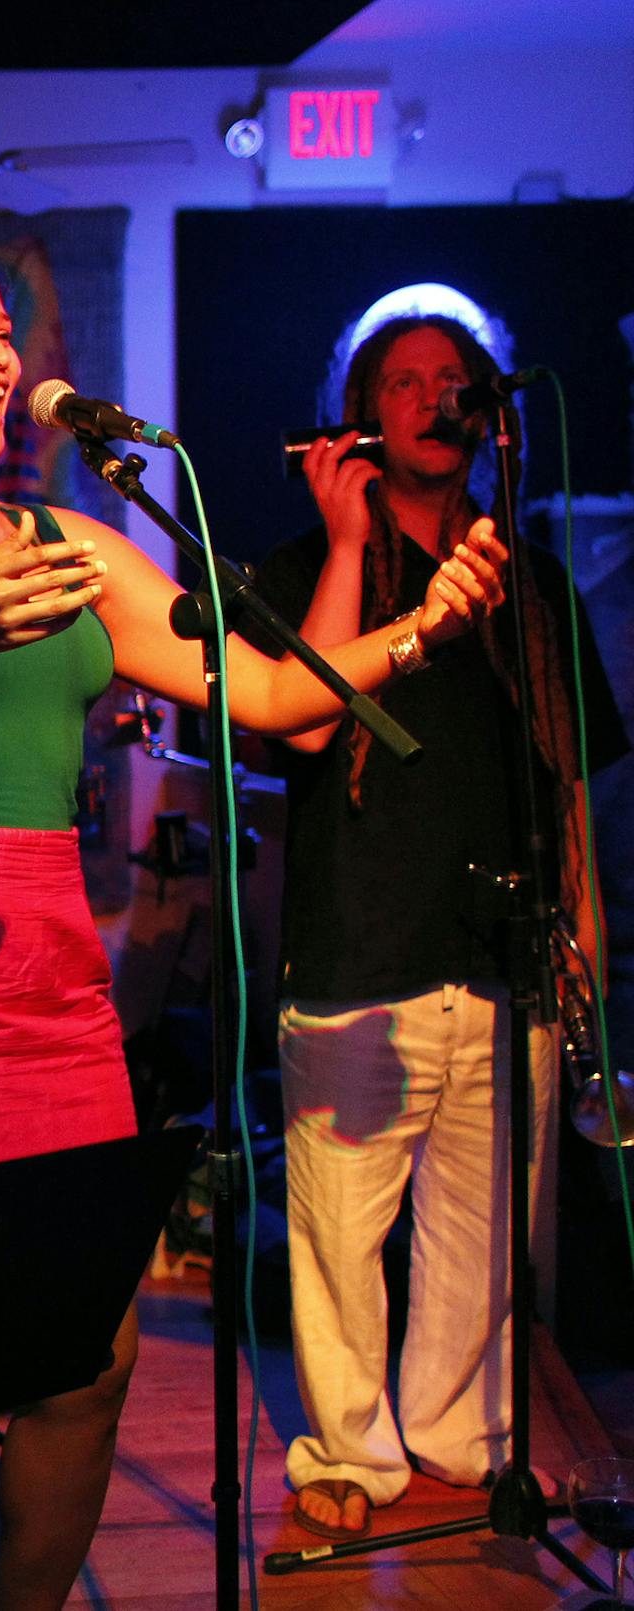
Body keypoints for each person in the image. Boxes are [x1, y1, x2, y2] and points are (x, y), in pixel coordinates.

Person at [0, 241, 508, 1611]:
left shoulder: (70, 545)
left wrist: (422, 631)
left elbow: (272, 695)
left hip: (42, 975)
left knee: (86, 1352)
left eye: (3, 329)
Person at [245, 314, 626, 1541]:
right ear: (359, 414)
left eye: (453, 381)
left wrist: (588, 957)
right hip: (361, 948)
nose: (432, 399)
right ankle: (347, 1452)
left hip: (505, 954)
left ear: (488, 412)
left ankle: (462, 1432)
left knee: (485, 1233)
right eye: (403, 381)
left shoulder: (534, 584)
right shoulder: (304, 566)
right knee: (340, 1233)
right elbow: (305, 722)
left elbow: (570, 787)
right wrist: (352, 542)